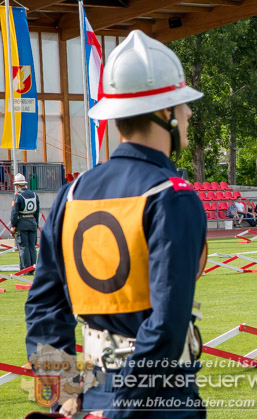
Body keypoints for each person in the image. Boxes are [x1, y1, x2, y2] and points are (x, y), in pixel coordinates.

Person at [24, 31, 207, 418]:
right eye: (182, 104)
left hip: (91, 397)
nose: (189, 114)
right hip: (157, 402)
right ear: (165, 114)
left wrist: (63, 397)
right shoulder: (171, 195)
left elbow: (43, 309)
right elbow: (167, 325)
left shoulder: (71, 194)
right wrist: (121, 410)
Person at [10, 173, 40, 274]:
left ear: (17, 185)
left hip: (22, 223)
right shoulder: (35, 195)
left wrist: (13, 226)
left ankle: (26, 270)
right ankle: (32, 268)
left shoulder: (18, 196)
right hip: (32, 222)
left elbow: (14, 212)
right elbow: (37, 211)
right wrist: (36, 223)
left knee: (23, 247)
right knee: (32, 246)